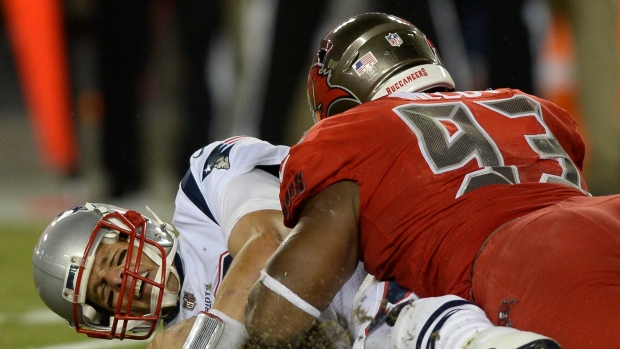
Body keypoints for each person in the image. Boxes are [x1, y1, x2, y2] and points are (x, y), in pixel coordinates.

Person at [244, 12, 620, 348]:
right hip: (605, 211)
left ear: (341, 106)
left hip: (527, 257)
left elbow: (277, 317)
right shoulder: (527, 103)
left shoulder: (353, 134)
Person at [32, 136, 415, 348]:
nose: (119, 279)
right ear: (107, 317)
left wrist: (205, 339)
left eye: (114, 259)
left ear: (136, 230)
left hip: (395, 261)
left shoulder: (200, 190)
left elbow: (272, 242)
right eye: (103, 291)